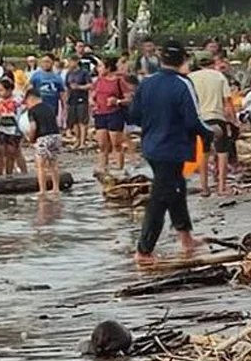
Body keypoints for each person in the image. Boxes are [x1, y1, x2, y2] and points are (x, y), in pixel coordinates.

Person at [130, 42, 215, 266]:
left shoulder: (147, 83)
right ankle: (144, 251)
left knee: (177, 188)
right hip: (172, 148)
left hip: (151, 146)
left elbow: (134, 115)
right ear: (183, 61)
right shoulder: (182, 84)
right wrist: (210, 133)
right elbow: (193, 120)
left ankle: (185, 237)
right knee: (160, 198)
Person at [189, 53, 236, 196]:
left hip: (200, 119)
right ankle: (222, 187)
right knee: (222, 152)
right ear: (212, 62)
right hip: (217, 117)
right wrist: (234, 121)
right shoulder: (219, 76)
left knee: (204, 153)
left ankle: (204, 187)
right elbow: (227, 102)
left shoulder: (191, 78)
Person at [93, 57, 130, 173]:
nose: (98, 69)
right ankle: (103, 168)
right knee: (102, 144)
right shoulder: (98, 81)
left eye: (100, 66)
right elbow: (92, 95)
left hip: (114, 113)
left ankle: (119, 168)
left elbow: (128, 98)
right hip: (100, 113)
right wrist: (93, 103)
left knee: (116, 143)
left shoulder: (118, 81)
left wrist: (117, 101)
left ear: (108, 68)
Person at [24, 87, 61, 197]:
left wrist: (31, 139)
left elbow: (33, 127)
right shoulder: (49, 107)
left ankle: (42, 190)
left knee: (40, 165)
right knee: (53, 164)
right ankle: (56, 188)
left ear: (30, 99)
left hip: (43, 137)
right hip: (56, 136)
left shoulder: (32, 111)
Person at [0, 79, 23, 176]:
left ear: (9, 90)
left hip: (14, 129)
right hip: (0, 127)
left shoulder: (18, 98)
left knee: (11, 152)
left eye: (1, 90)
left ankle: (9, 174)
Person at [64, 56, 93, 149]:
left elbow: (90, 85)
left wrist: (79, 87)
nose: (69, 64)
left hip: (82, 98)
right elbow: (67, 87)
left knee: (82, 121)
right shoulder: (69, 73)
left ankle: (83, 142)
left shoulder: (84, 73)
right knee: (74, 121)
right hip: (72, 98)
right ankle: (77, 139)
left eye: (71, 61)